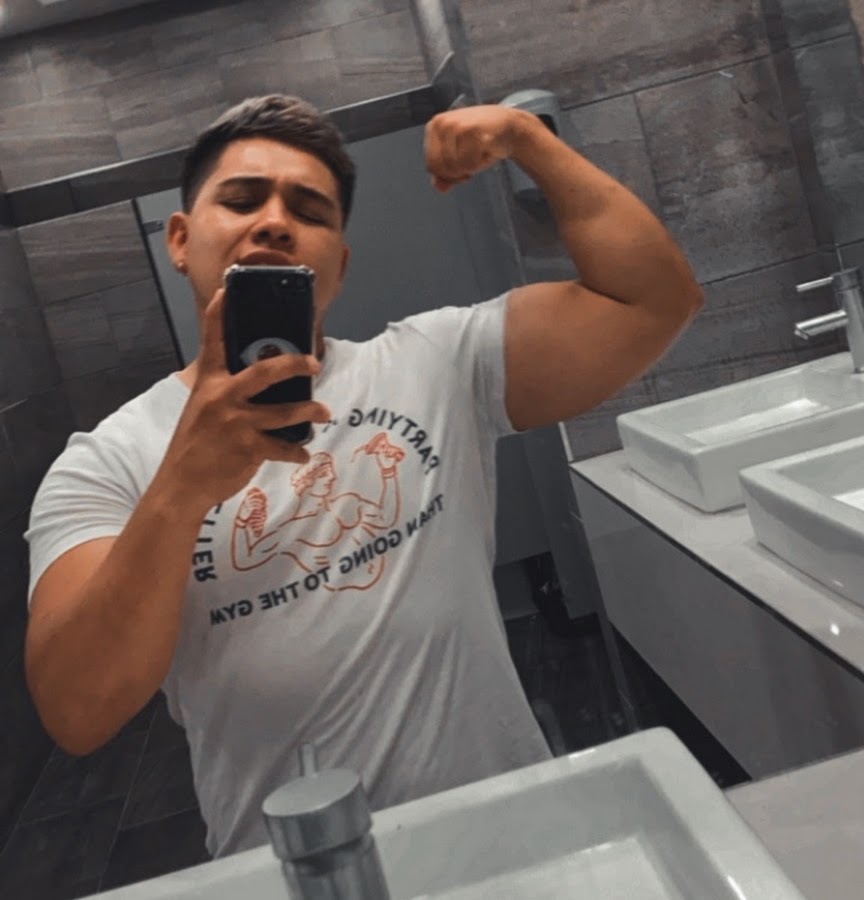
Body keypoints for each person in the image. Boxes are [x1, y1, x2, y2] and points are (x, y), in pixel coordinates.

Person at [23, 95, 703, 858]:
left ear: (340, 266)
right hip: (296, 870)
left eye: (309, 210)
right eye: (242, 200)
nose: (274, 222)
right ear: (179, 240)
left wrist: (526, 140)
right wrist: (180, 486)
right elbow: (78, 710)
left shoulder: (438, 364)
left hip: (514, 840)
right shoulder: (107, 461)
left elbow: (655, 300)